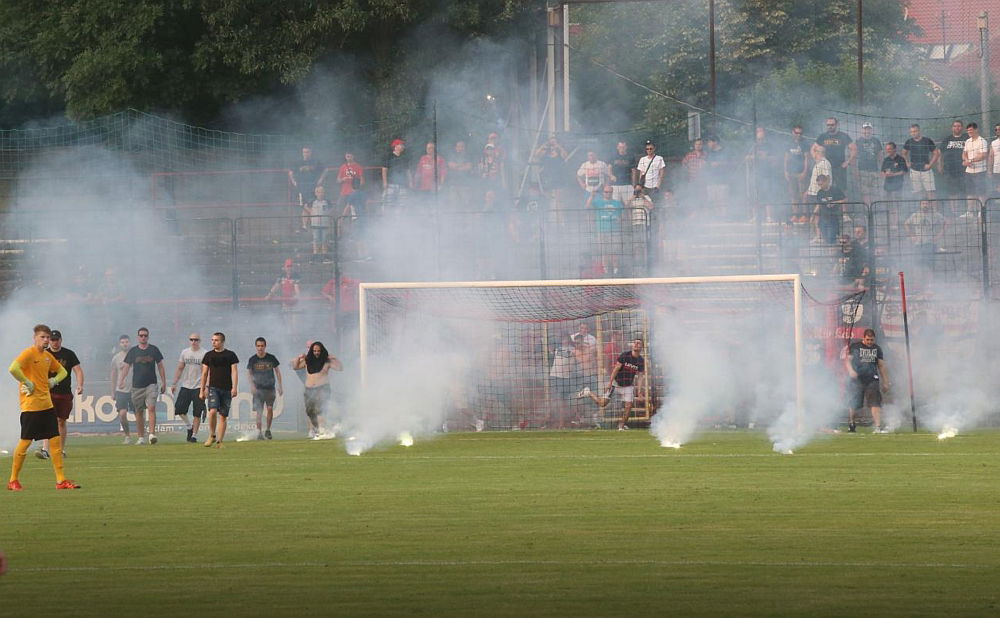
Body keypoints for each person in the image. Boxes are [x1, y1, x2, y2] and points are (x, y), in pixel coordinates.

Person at [7, 324, 79, 490]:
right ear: (35, 338)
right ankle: (13, 480)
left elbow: (63, 372)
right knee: (25, 443)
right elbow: (13, 368)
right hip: (31, 407)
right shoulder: (28, 353)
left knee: (55, 442)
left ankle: (61, 481)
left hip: (47, 406)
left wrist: (53, 381)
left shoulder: (47, 356)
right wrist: (26, 382)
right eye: (43, 337)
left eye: (48, 337)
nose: (46, 340)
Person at [577, 338, 645, 431]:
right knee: (602, 404)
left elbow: (641, 376)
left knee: (628, 406)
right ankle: (588, 393)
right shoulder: (625, 355)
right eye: (635, 342)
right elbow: (616, 369)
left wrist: (640, 391)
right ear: (632, 345)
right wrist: (610, 383)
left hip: (628, 386)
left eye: (639, 343)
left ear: (642, 347)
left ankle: (621, 426)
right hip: (615, 384)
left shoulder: (641, 361)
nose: (636, 344)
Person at [36, 330, 82, 460]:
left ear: (61, 340)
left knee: (61, 421)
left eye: (56, 339)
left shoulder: (69, 354)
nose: (54, 342)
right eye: (52, 340)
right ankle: (45, 449)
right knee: (48, 419)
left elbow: (78, 370)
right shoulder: (44, 354)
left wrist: (80, 385)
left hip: (64, 392)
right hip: (48, 392)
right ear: (48, 341)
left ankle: (60, 450)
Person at [118, 327, 166, 445]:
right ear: (138, 337)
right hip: (137, 385)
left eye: (145, 335)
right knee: (139, 412)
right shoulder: (133, 351)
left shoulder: (154, 349)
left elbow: (160, 366)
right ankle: (141, 437)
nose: (143, 337)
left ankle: (152, 434)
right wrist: (121, 380)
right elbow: (126, 366)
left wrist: (164, 382)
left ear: (148, 337)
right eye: (141, 335)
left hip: (151, 384)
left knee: (151, 408)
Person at [291, 342, 343, 438]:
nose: (316, 353)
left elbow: (340, 368)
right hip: (309, 389)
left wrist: (335, 358)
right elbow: (295, 367)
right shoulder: (307, 361)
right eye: (314, 351)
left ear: (322, 351)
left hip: (322, 388)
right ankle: (314, 430)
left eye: (318, 351)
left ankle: (322, 430)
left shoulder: (327, 361)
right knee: (310, 411)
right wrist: (298, 358)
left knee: (321, 410)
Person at [844, 328, 890, 433]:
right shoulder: (855, 347)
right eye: (868, 339)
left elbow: (882, 366)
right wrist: (851, 371)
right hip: (857, 380)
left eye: (872, 340)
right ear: (863, 338)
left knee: (875, 403)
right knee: (854, 404)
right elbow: (847, 361)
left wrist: (886, 382)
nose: (870, 342)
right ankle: (851, 423)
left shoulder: (877, 349)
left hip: (872, 380)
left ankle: (878, 427)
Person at [200, 332, 239, 448]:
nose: (213, 342)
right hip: (213, 388)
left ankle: (219, 441)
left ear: (222, 342)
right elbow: (204, 373)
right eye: (212, 340)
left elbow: (234, 371)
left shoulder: (230, 355)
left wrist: (234, 387)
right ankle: (212, 435)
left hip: (227, 389)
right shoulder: (208, 355)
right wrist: (202, 390)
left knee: (223, 416)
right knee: (212, 411)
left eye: (216, 340)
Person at [170, 332, 207, 443]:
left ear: (199, 341)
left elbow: (206, 372)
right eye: (191, 339)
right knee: (179, 409)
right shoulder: (185, 352)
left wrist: (206, 387)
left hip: (199, 386)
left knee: (197, 412)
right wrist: (174, 383)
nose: (193, 342)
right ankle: (189, 427)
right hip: (186, 385)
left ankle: (194, 436)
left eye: (196, 340)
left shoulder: (204, 353)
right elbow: (180, 368)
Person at [247, 337, 283, 440]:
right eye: (258, 346)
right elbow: (249, 373)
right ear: (256, 346)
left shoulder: (271, 358)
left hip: (270, 388)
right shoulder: (252, 359)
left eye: (262, 346)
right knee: (259, 411)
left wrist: (280, 386)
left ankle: (268, 430)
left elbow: (277, 372)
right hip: (258, 389)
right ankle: (259, 432)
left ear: (265, 346)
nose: (260, 348)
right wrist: (252, 385)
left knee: (270, 408)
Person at [587, 185, 624, 275]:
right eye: (606, 192)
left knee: (615, 251)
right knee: (604, 251)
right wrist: (592, 196)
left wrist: (620, 219)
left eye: (610, 192)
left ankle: (616, 270)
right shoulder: (598, 202)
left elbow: (622, 215)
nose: (608, 194)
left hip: (614, 230)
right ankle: (606, 270)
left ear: (612, 192)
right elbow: (587, 206)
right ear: (603, 192)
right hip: (602, 230)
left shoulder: (617, 203)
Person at [814, 117, 855, 190]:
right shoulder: (823, 136)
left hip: (840, 168)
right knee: (826, 189)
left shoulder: (843, 136)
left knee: (842, 190)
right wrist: (816, 159)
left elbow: (854, 148)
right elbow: (813, 149)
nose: (830, 126)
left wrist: (848, 161)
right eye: (828, 125)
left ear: (836, 125)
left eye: (832, 124)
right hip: (826, 167)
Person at [109, 334, 134, 444]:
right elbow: (113, 375)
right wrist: (113, 391)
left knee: (139, 412)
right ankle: (127, 435)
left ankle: (142, 435)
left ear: (130, 342)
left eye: (127, 342)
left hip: (135, 389)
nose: (125, 344)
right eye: (123, 342)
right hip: (121, 390)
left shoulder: (136, 355)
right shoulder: (116, 358)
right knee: (122, 414)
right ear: (120, 344)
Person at [902, 124, 938, 199]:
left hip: (926, 170)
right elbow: (904, 153)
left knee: (931, 191)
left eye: (915, 131)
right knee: (918, 192)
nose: (913, 133)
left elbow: (936, 153)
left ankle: (934, 210)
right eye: (911, 132)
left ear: (919, 131)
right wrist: (907, 162)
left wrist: (930, 165)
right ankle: (920, 209)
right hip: (914, 170)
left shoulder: (927, 140)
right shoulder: (909, 141)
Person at [938, 120, 969, 208]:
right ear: (952, 128)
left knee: (966, 191)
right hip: (950, 170)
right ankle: (954, 211)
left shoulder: (967, 138)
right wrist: (940, 165)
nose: (957, 128)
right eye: (955, 126)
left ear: (962, 127)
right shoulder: (947, 139)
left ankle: (966, 211)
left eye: (959, 126)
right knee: (952, 192)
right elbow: (940, 153)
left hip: (965, 170)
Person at [289, 146, 328, 211]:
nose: (305, 154)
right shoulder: (298, 162)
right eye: (304, 152)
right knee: (304, 206)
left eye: (307, 152)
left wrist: (321, 179)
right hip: (301, 187)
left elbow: (326, 170)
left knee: (312, 205)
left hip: (313, 187)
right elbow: (290, 172)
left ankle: (313, 219)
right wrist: (294, 182)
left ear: (311, 152)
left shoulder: (315, 161)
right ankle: (309, 218)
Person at [811, 175, 847, 244]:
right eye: (819, 184)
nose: (820, 186)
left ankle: (833, 250)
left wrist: (834, 203)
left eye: (821, 184)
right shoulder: (820, 193)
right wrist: (813, 215)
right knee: (825, 238)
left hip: (833, 217)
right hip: (823, 218)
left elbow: (845, 200)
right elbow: (818, 205)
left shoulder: (835, 190)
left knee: (832, 237)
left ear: (826, 181)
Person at [784, 125, 810, 218]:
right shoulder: (788, 143)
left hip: (801, 172)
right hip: (791, 172)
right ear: (793, 132)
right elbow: (786, 158)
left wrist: (805, 172)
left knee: (803, 194)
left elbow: (807, 159)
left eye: (800, 133)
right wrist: (785, 171)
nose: (799, 135)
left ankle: (804, 215)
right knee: (793, 194)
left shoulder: (805, 144)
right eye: (797, 133)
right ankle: (795, 214)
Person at [855, 122, 883, 204]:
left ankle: (874, 209)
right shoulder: (858, 141)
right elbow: (855, 156)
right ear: (862, 130)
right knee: (865, 193)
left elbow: (880, 156)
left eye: (868, 129)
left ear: (871, 130)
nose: (867, 130)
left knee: (875, 192)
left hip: (874, 170)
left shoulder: (876, 141)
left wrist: (882, 169)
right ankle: (868, 211)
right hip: (862, 170)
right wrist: (855, 170)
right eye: (865, 129)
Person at [963, 122, 989, 210]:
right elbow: (964, 153)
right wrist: (966, 161)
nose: (969, 132)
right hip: (968, 171)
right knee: (970, 192)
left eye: (971, 130)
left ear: (976, 130)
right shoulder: (967, 141)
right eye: (968, 130)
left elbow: (983, 155)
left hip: (980, 171)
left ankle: (981, 212)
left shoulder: (982, 141)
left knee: (981, 192)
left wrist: (970, 160)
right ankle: (970, 212)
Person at [381, 138, 411, 211]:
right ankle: (387, 219)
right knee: (388, 204)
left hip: (402, 185)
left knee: (402, 205)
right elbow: (384, 170)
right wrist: (385, 183)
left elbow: (408, 171)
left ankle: (400, 220)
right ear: (396, 146)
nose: (403, 146)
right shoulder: (388, 157)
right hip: (391, 185)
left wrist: (410, 182)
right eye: (401, 145)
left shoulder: (404, 158)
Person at [304, 185, 331, 255]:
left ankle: (324, 255)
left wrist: (327, 215)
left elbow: (331, 209)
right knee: (316, 240)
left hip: (324, 224)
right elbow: (305, 206)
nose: (320, 194)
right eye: (319, 192)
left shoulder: (327, 201)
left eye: (322, 192)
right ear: (316, 193)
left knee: (324, 240)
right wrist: (311, 212)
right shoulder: (312, 201)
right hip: (315, 224)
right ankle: (315, 254)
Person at [608, 140, 637, 205]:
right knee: (616, 205)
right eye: (620, 147)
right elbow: (609, 168)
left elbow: (634, 171)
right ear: (617, 147)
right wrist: (611, 176)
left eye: (623, 147)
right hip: (615, 185)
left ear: (626, 147)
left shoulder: (631, 157)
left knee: (629, 205)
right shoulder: (613, 156)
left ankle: (629, 216)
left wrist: (634, 184)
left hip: (627, 184)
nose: (622, 149)